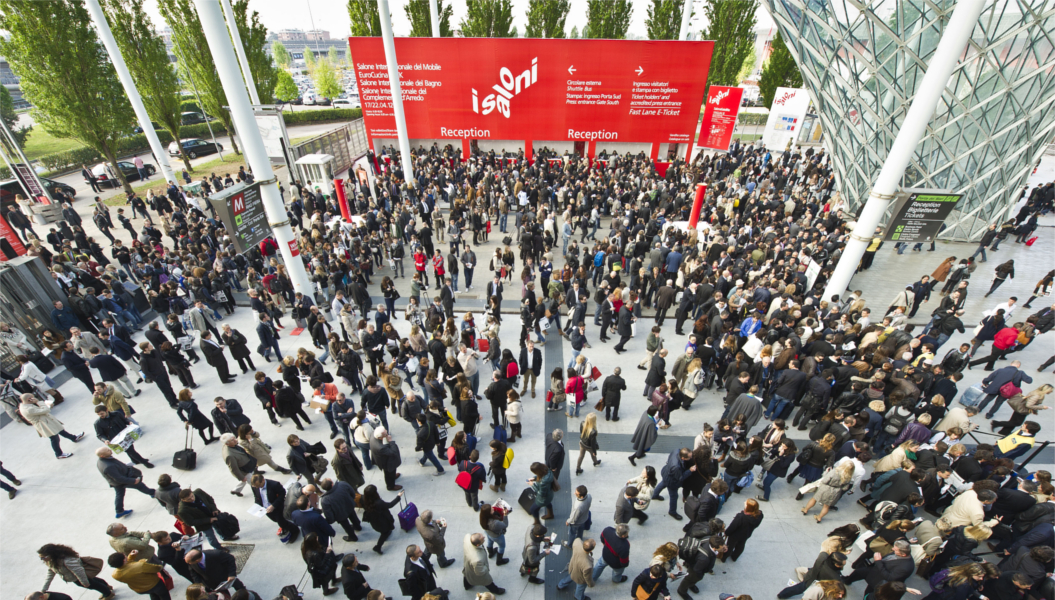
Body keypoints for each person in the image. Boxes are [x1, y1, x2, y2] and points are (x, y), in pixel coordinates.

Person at [38, 543, 115, 600]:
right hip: (76, 577)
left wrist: (85, 583)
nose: (42, 560)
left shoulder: (67, 560)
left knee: (93, 585)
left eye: (43, 557)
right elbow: (50, 572)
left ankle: (108, 594)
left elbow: (79, 571)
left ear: (51, 555)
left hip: (79, 578)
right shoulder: (50, 561)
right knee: (94, 581)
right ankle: (107, 587)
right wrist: (44, 588)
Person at [19, 393, 84, 459]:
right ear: (29, 399)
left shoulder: (25, 405)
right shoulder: (28, 409)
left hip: (47, 421)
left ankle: (73, 438)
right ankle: (59, 454)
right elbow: (46, 410)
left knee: (60, 430)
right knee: (54, 438)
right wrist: (38, 402)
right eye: (33, 397)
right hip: (44, 424)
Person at [96, 446, 155, 519]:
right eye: (108, 450)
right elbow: (119, 479)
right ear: (102, 455)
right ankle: (153, 493)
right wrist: (133, 481)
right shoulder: (108, 466)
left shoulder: (103, 460)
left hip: (116, 482)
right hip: (122, 481)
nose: (110, 450)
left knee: (119, 494)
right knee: (139, 485)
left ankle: (119, 511)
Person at [249, 474, 298, 544]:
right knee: (276, 520)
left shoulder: (274, 484)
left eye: (259, 486)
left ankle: (295, 530)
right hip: (266, 509)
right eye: (256, 486)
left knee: (282, 522)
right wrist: (257, 506)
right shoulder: (255, 486)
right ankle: (284, 526)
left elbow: (282, 494)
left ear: (263, 480)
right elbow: (256, 496)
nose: (257, 487)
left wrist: (273, 505)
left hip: (277, 507)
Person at [359, 484, 404, 554]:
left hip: (374, 522)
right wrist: (398, 496)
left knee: (384, 531)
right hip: (382, 522)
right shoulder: (378, 503)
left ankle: (385, 536)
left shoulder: (363, 499)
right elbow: (390, 505)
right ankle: (378, 546)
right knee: (384, 533)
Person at [677, 535, 724, 600]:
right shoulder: (704, 559)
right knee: (689, 579)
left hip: (696, 561)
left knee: (692, 580)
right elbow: (697, 570)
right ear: (715, 548)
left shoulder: (708, 539)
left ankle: (691, 585)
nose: (723, 547)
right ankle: (681, 591)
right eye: (721, 547)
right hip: (694, 569)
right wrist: (700, 576)